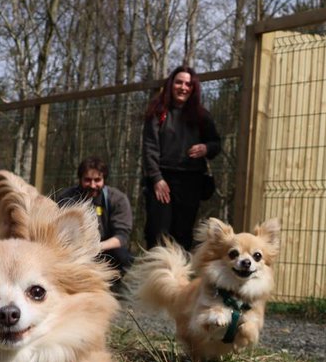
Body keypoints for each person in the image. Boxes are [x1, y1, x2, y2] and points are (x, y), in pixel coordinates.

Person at [141, 65, 222, 250]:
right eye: (179, 82)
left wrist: (206, 148)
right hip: (162, 182)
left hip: (191, 182)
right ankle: (154, 276)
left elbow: (216, 143)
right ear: (171, 85)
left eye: (188, 84)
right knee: (157, 233)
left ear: (193, 89)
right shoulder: (157, 112)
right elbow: (149, 147)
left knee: (183, 235)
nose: (183, 87)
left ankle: (180, 277)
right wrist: (157, 179)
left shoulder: (202, 116)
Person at [54, 156, 134, 277]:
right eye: (87, 180)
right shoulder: (66, 198)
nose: (92, 185)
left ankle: (119, 291)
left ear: (104, 180)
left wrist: (96, 247)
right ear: (80, 179)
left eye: (97, 180)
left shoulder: (118, 199)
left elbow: (121, 237)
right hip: (72, 249)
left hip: (105, 248)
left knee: (124, 258)